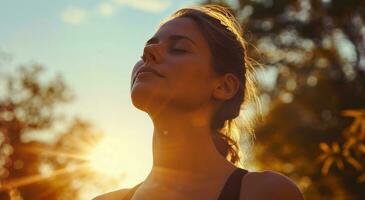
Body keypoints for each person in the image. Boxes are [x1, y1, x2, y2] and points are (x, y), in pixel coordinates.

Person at [93, 4, 303, 200]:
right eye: (147, 48)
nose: (148, 53)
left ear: (224, 87)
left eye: (179, 49)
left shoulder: (265, 192)